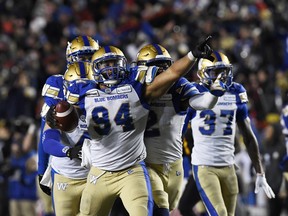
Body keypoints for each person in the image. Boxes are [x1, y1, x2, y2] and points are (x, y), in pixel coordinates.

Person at [64, 38, 214, 216]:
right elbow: (66, 120)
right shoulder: (84, 91)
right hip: (104, 167)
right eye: (106, 64)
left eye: (114, 63)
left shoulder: (136, 88)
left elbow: (174, 75)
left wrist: (192, 56)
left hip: (142, 165)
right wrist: (58, 117)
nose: (111, 68)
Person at [133, 43, 224, 215]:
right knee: (159, 210)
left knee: (172, 209)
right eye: (156, 67)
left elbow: (201, 103)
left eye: (165, 66)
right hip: (146, 163)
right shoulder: (134, 89)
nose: (162, 71)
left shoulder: (178, 86)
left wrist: (214, 94)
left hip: (174, 163)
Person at [186, 50, 275, 216]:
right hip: (204, 166)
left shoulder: (236, 92)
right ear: (202, 74)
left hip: (229, 166)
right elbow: (179, 131)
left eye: (223, 71)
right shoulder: (193, 92)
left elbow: (248, 136)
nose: (220, 77)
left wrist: (260, 172)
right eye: (215, 72)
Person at [37, 35, 99, 216]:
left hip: (97, 168)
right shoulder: (57, 86)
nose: (87, 62)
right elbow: (46, 132)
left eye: (91, 57)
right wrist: (42, 169)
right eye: (83, 57)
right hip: (65, 169)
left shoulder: (106, 86)